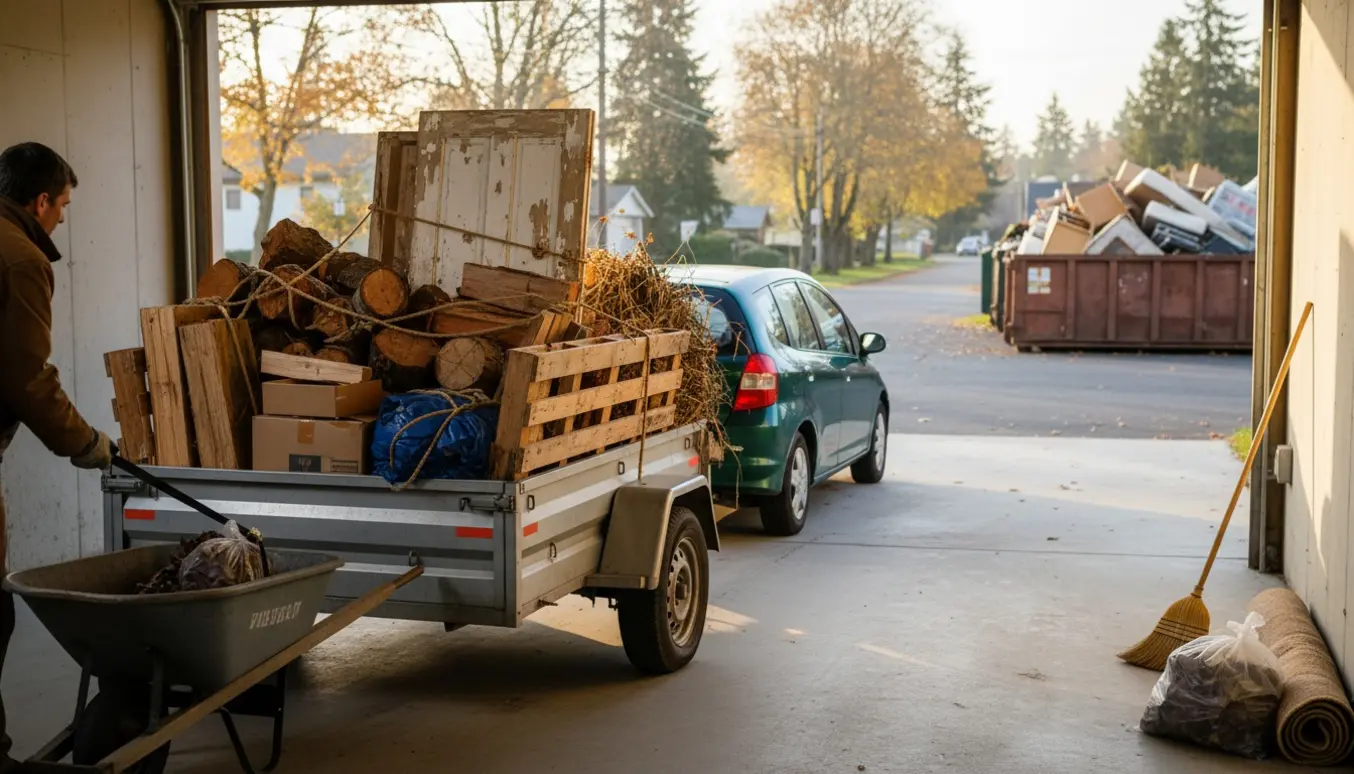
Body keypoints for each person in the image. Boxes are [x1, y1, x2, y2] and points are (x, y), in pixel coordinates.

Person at [0, 142, 112, 768]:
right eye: (63, 205)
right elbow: (26, 378)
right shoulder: (20, 258)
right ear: (40, 201)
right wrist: (85, 443)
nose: (63, 219)